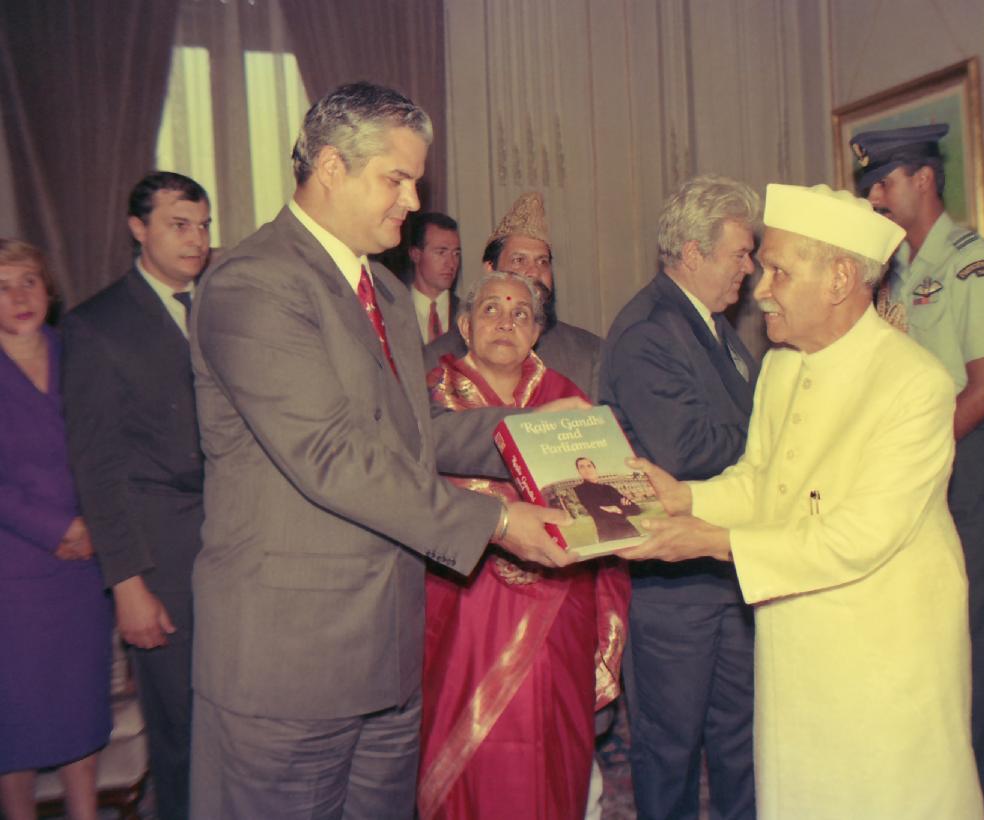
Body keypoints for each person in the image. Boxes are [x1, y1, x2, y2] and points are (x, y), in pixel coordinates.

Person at [187, 82, 578, 819]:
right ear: (332, 167)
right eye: (396, 179)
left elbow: (413, 432)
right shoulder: (256, 283)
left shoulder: (386, 293)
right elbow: (332, 454)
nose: (411, 201)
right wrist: (498, 522)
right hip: (290, 661)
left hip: (387, 653)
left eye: (415, 181)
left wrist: (537, 431)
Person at [620, 183, 982, 819]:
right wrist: (684, 498)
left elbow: (860, 535)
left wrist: (713, 542)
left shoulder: (915, 383)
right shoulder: (783, 367)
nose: (760, 289)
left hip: (884, 650)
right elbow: (761, 484)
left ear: (840, 278)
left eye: (780, 271)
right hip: (794, 636)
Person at [851, 123, 984, 813]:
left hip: (970, 464)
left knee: (968, 644)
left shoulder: (974, 265)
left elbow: (983, 392)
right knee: (921, 638)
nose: (874, 199)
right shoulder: (895, 272)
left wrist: (907, 457)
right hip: (921, 467)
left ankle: (968, 794)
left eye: (883, 184)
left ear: (923, 179)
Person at [419, 270, 629, 819]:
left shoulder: (570, 402)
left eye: (521, 314)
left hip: (559, 611)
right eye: (491, 309)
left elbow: (609, 511)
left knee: (554, 750)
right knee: (469, 766)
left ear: (537, 332)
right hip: (461, 612)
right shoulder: (431, 401)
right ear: (465, 325)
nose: (505, 322)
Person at [599, 174, 760, 819]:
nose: (749, 268)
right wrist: (775, 437)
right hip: (672, 588)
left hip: (723, 568)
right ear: (693, 253)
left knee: (739, 740)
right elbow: (686, 450)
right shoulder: (649, 330)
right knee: (669, 750)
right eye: (739, 253)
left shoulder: (713, 326)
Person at [61, 171, 211, 820]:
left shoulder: (222, 307)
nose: (196, 239)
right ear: (138, 228)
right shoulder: (95, 325)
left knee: (236, 724)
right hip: (160, 558)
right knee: (181, 730)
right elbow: (97, 469)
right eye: (179, 225)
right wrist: (128, 584)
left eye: (203, 225)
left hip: (235, 545)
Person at [0, 240, 112, 820]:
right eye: (2, 287)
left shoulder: (78, 353)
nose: (19, 296)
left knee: (79, 711)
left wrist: (97, 526)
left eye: (29, 281)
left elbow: (110, 446)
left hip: (84, 569)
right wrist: (58, 528)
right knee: (13, 725)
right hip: (13, 577)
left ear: (49, 289)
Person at [424, 192, 602, 400]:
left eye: (542, 262)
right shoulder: (437, 360)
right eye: (519, 260)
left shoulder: (589, 354)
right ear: (490, 269)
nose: (534, 272)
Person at [385, 211, 461, 342]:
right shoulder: (390, 313)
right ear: (416, 255)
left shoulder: (469, 314)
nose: (451, 263)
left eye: (456, 254)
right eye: (441, 252)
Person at [573, 457, 641, 541]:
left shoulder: (608, 488)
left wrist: (618, 509)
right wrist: (622, 507)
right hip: (609, 535)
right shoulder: (579, 490)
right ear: (578, 471)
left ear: (594, 468)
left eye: (589, 466)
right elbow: (598, 512)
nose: (586, 469)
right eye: (582, 467)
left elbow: (636, 509)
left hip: (630, 532)